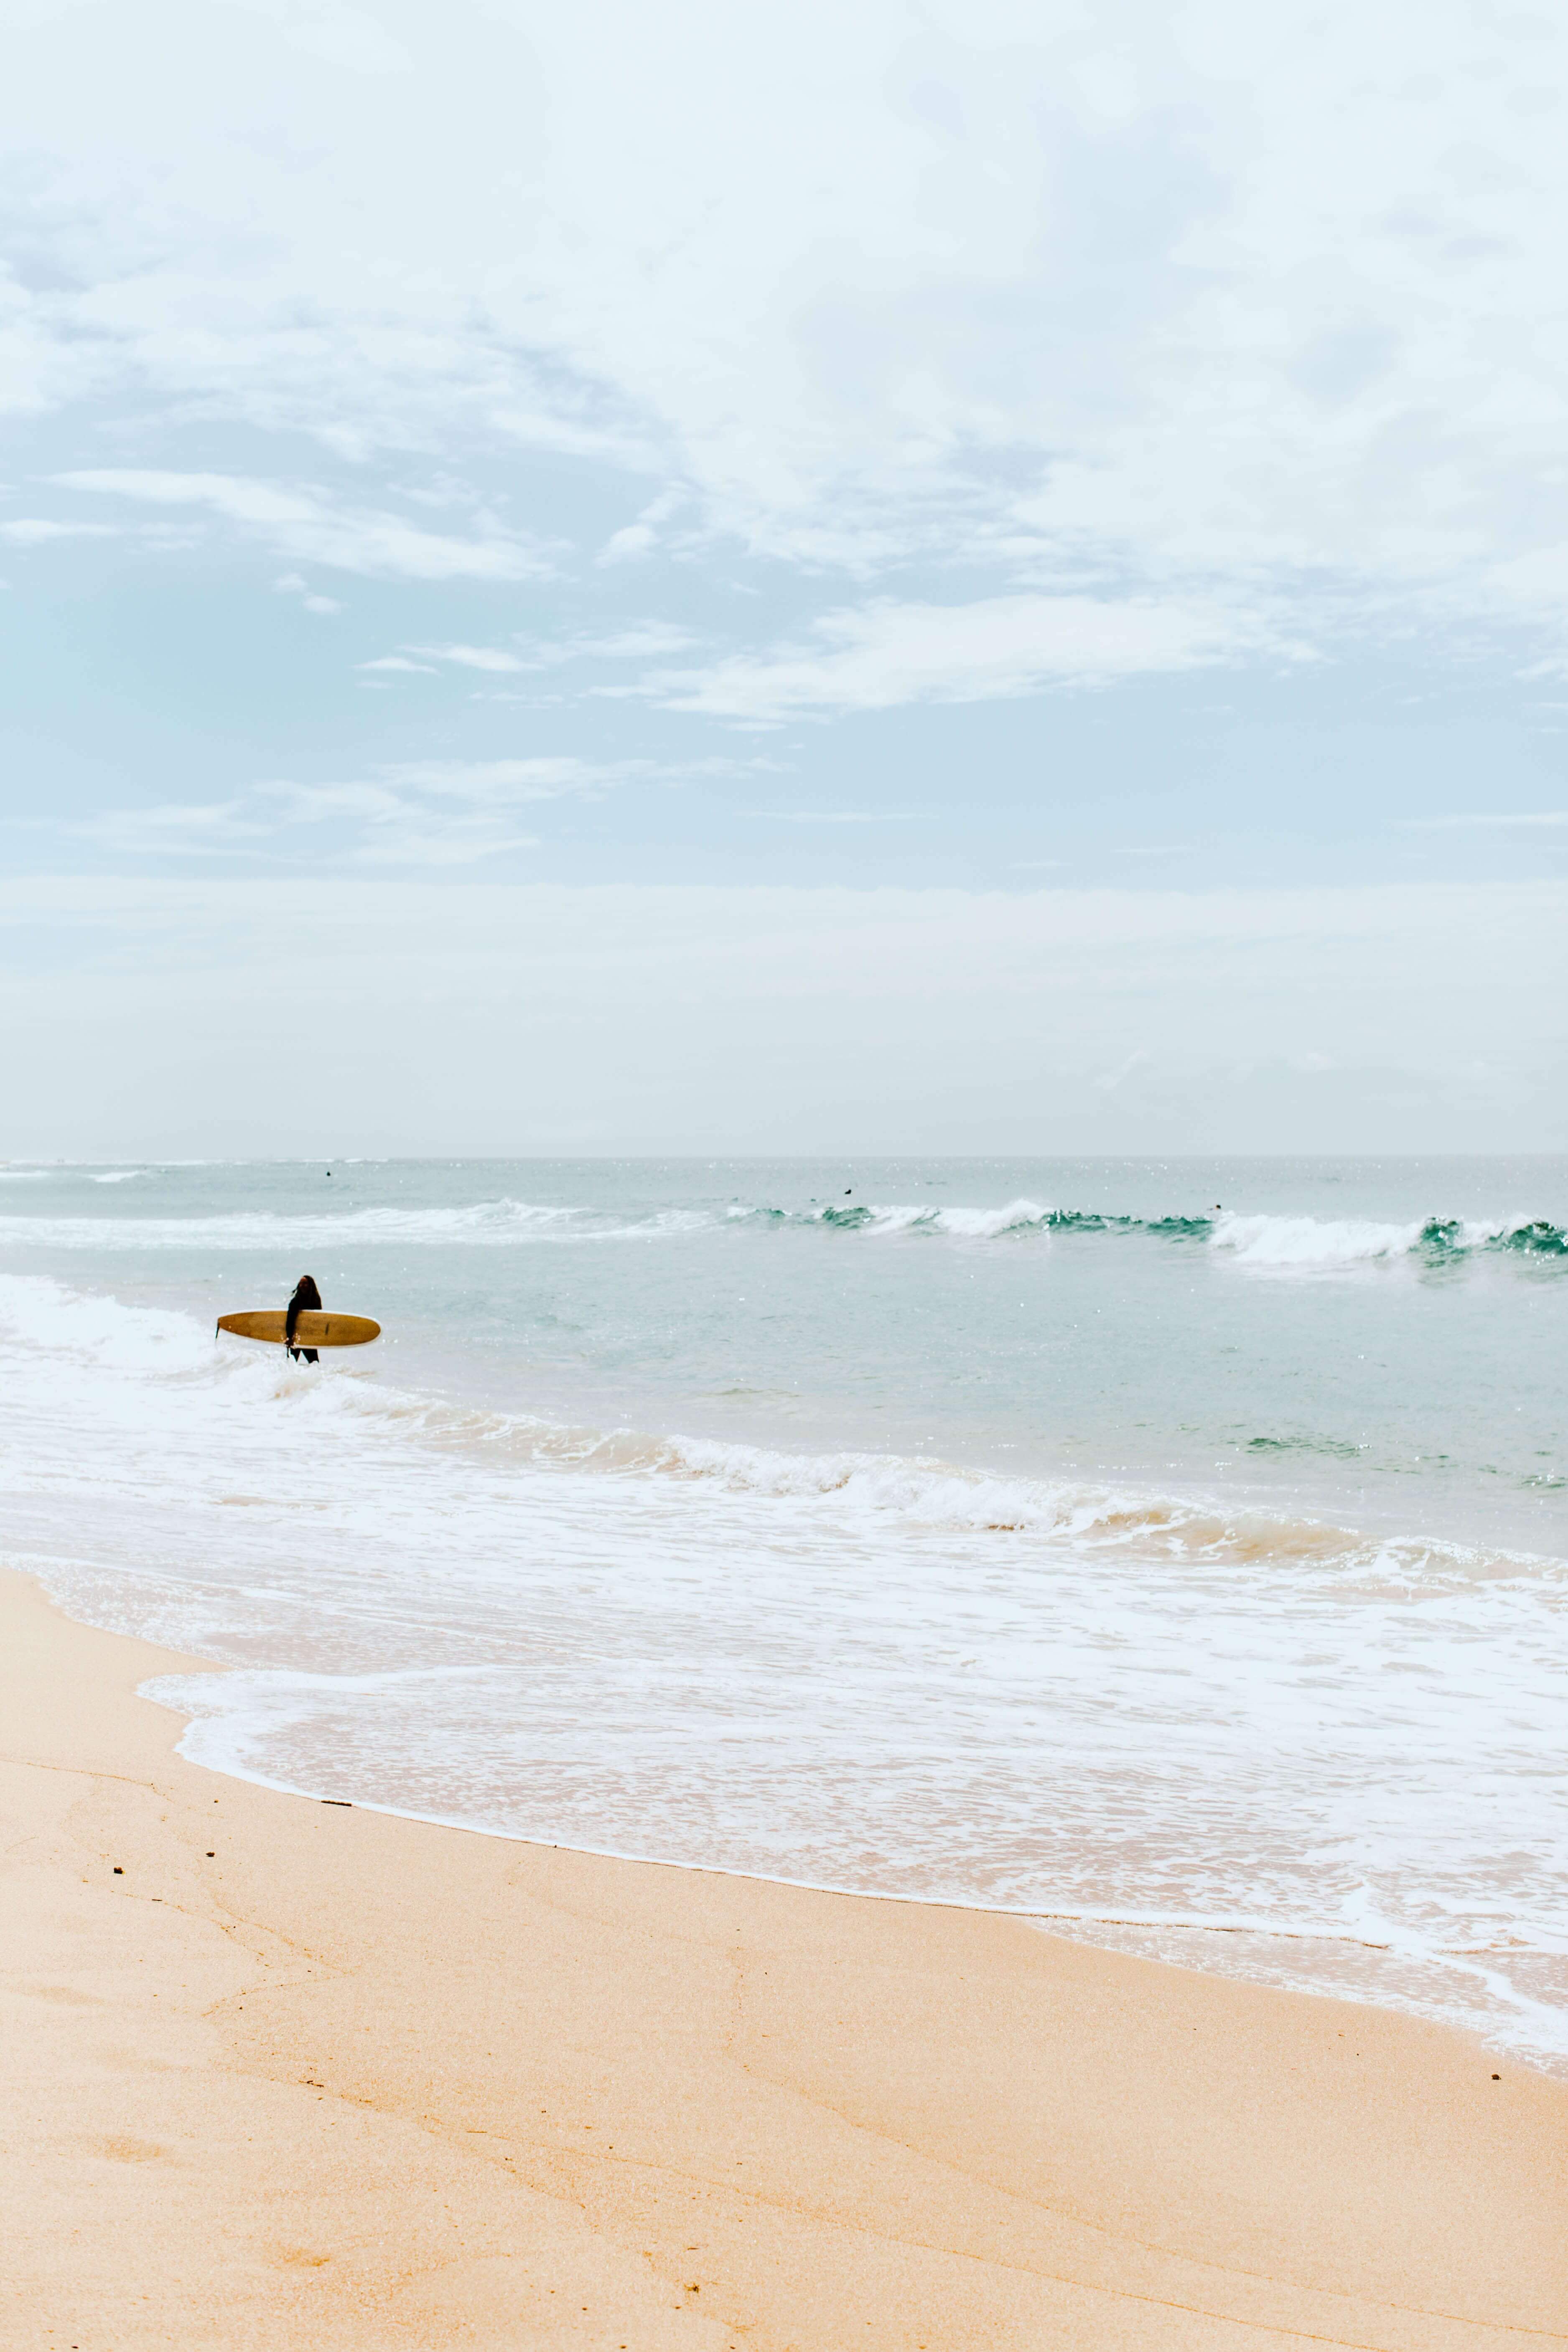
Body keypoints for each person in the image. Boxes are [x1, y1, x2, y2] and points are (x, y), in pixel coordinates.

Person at [286, 1273, 322, 1363]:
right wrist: (290, 1338)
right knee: (291, 1364)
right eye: (301, 1284)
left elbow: (318, 1320)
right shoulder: (296, 1302)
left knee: (315, 1363)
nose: (302, 1286)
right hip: (295, 1338)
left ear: (310, 1286)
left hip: (308, 1338)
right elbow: (290, 1320)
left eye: (305, 1283)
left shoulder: (315, 1301)